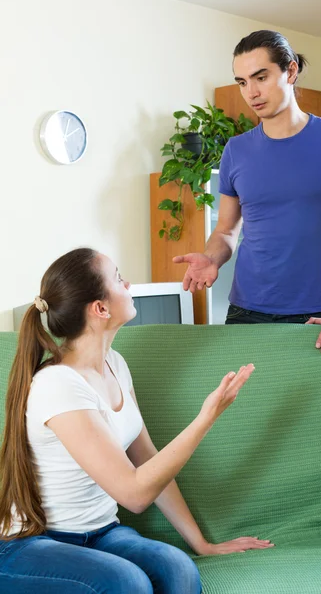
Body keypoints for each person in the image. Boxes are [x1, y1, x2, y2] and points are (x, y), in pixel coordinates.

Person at [0, 247, 274, 594]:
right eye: (117, 278)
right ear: (100, 308)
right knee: (127, 584)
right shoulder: (58, 384)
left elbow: (146, 459)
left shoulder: (115, 363)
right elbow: (135, 494)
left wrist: (201, 544)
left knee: (178, 570)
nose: (127, 283)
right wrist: (206, 419)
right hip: (31, 544)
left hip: (100, 534)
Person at [174, 30, 321, 355]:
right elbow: (227, 230)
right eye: (242, 82)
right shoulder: (236, 150)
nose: (251, 92)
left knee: (320, 406)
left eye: (261, 77)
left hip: (320, 314)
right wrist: (211, 257)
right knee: (244, 405)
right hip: (246, 312)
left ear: (290, 71)